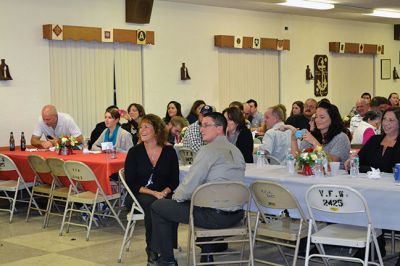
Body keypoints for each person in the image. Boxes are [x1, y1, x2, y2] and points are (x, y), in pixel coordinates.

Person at [149, 112, 245, 266]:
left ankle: (166, 259)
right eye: (201, 125)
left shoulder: (208, 151)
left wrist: (175, 199)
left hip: (214, 217)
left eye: (206, 125)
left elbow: (190, 185)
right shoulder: (236, 151)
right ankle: (206, 254)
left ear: (220, 128)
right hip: (236, 215)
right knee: (201, 202)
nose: (201, 129)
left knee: (159, 206)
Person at [124, 114, 179, 264]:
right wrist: (153, 192)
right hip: (139, 194)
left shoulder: (169, 152)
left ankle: (164, 253)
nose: (142, 130)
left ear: (157, 130)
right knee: (154, 206)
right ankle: (154, 251)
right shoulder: (134, 152)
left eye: (147, 126)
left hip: (164, 192)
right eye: (141, 127)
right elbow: (131, 182)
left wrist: (165, 192)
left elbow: (174, 180)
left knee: (174, 205)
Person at [287, 101, 350, 167]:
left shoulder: (341, 137)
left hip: (336, 176)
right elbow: (299, 159)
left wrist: (314, 143)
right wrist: (293, 140)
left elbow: (331, 162)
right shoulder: (312, 135)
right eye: (316, 117)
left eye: (322, 117)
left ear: (332, 119)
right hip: (314, 174)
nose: (317, 120)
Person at [347, 108, 400, 173]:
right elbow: (359, 161)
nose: (385, 123)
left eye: (391, 120)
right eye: (384, 119)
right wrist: (351, 162)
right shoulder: (374, 140)